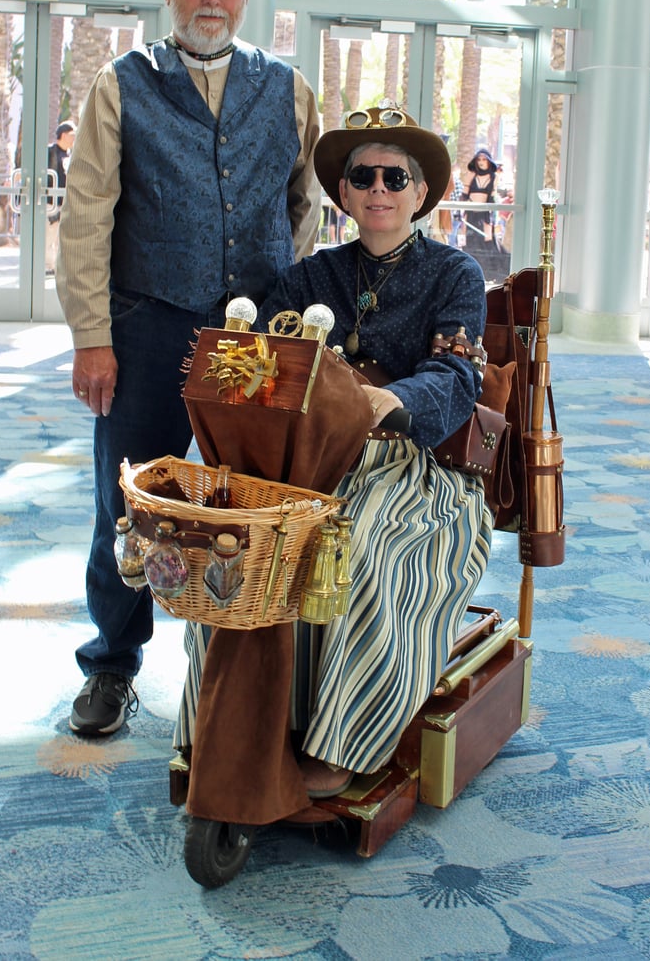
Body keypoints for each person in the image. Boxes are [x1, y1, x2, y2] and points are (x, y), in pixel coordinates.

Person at [56, 0, 321, 736]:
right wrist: (92, 335)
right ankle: (112, 663)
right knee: (131, 503)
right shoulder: (122, 83)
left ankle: (244, 675)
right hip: (148, 327)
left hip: (256, 340)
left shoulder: (287, 87)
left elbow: (303, 206)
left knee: (258, 504)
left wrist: (284, 311)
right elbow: (87, 215)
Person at [178, 107, 492, 800]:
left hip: (414, 465)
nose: (378, 188)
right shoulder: (305, 278)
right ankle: (219, 721)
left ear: (419, 193)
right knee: (242, 543)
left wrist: (391, 399)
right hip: (313, 459)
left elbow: (459, 375)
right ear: (344, 194)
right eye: (362, 176)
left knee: (370, 549)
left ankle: (344, 739)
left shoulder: (456, 275)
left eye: (394, 176)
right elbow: (262, 365)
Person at [460, 148, 509, 280]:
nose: (481, 162)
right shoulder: (472, 176)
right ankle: (472, 274)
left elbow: (492, 198)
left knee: (487, 243)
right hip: (470, 215)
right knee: (470, 243)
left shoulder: (493, 177)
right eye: (479, 159)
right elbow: (463, 196)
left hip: (485, 216)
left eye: (484, 159)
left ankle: (488, 274)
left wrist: (492, 218)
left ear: (489, 161)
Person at [45, 121, 75, 274]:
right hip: (50, 202)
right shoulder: (50, 152)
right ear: (63, 135)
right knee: (49, 235)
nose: (74, 139)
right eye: (72, 135)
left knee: (59, 238)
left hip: (63, 201)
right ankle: (48, 266)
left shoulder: (70, 154)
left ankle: (56, 266)